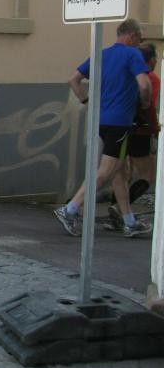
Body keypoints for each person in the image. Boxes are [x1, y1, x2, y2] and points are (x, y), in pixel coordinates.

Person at [57, 18, 153, 238]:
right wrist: (145, 101)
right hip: (120, 122)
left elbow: (73, 79)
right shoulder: (133, 54)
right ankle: (70, 209)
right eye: (140, 38)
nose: (140, 43)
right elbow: (144, 84)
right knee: (107, 170)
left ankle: (129, 221)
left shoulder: (102, 54)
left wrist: (86, 102)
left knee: (120, 171)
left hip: (101, 120)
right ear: (132, 36)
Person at [103, 42, 159, 231]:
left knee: (121, 172)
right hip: (140, 130)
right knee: (147, 175)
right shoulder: (150, 78)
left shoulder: (125, 74)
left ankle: (117, 214)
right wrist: (154, 127)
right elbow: (148, 105)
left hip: (119, 126)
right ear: (152, 60)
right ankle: (120, 210)